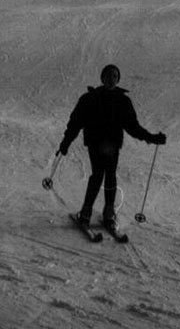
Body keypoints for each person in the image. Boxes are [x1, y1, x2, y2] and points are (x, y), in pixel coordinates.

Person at [56, 64, 166, 231]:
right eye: (108, 75)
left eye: (114, 76)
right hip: (97, 143)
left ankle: (96, 213)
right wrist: (66, 142)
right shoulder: (91, 98)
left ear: (118, 79)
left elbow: (133, 127)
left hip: (111, 144)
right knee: (103, 174)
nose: (111, 79)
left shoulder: (118, 100)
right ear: (102, 78)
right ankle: (100, 213)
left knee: (106, 175)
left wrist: (151, 138)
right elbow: (76, 122)